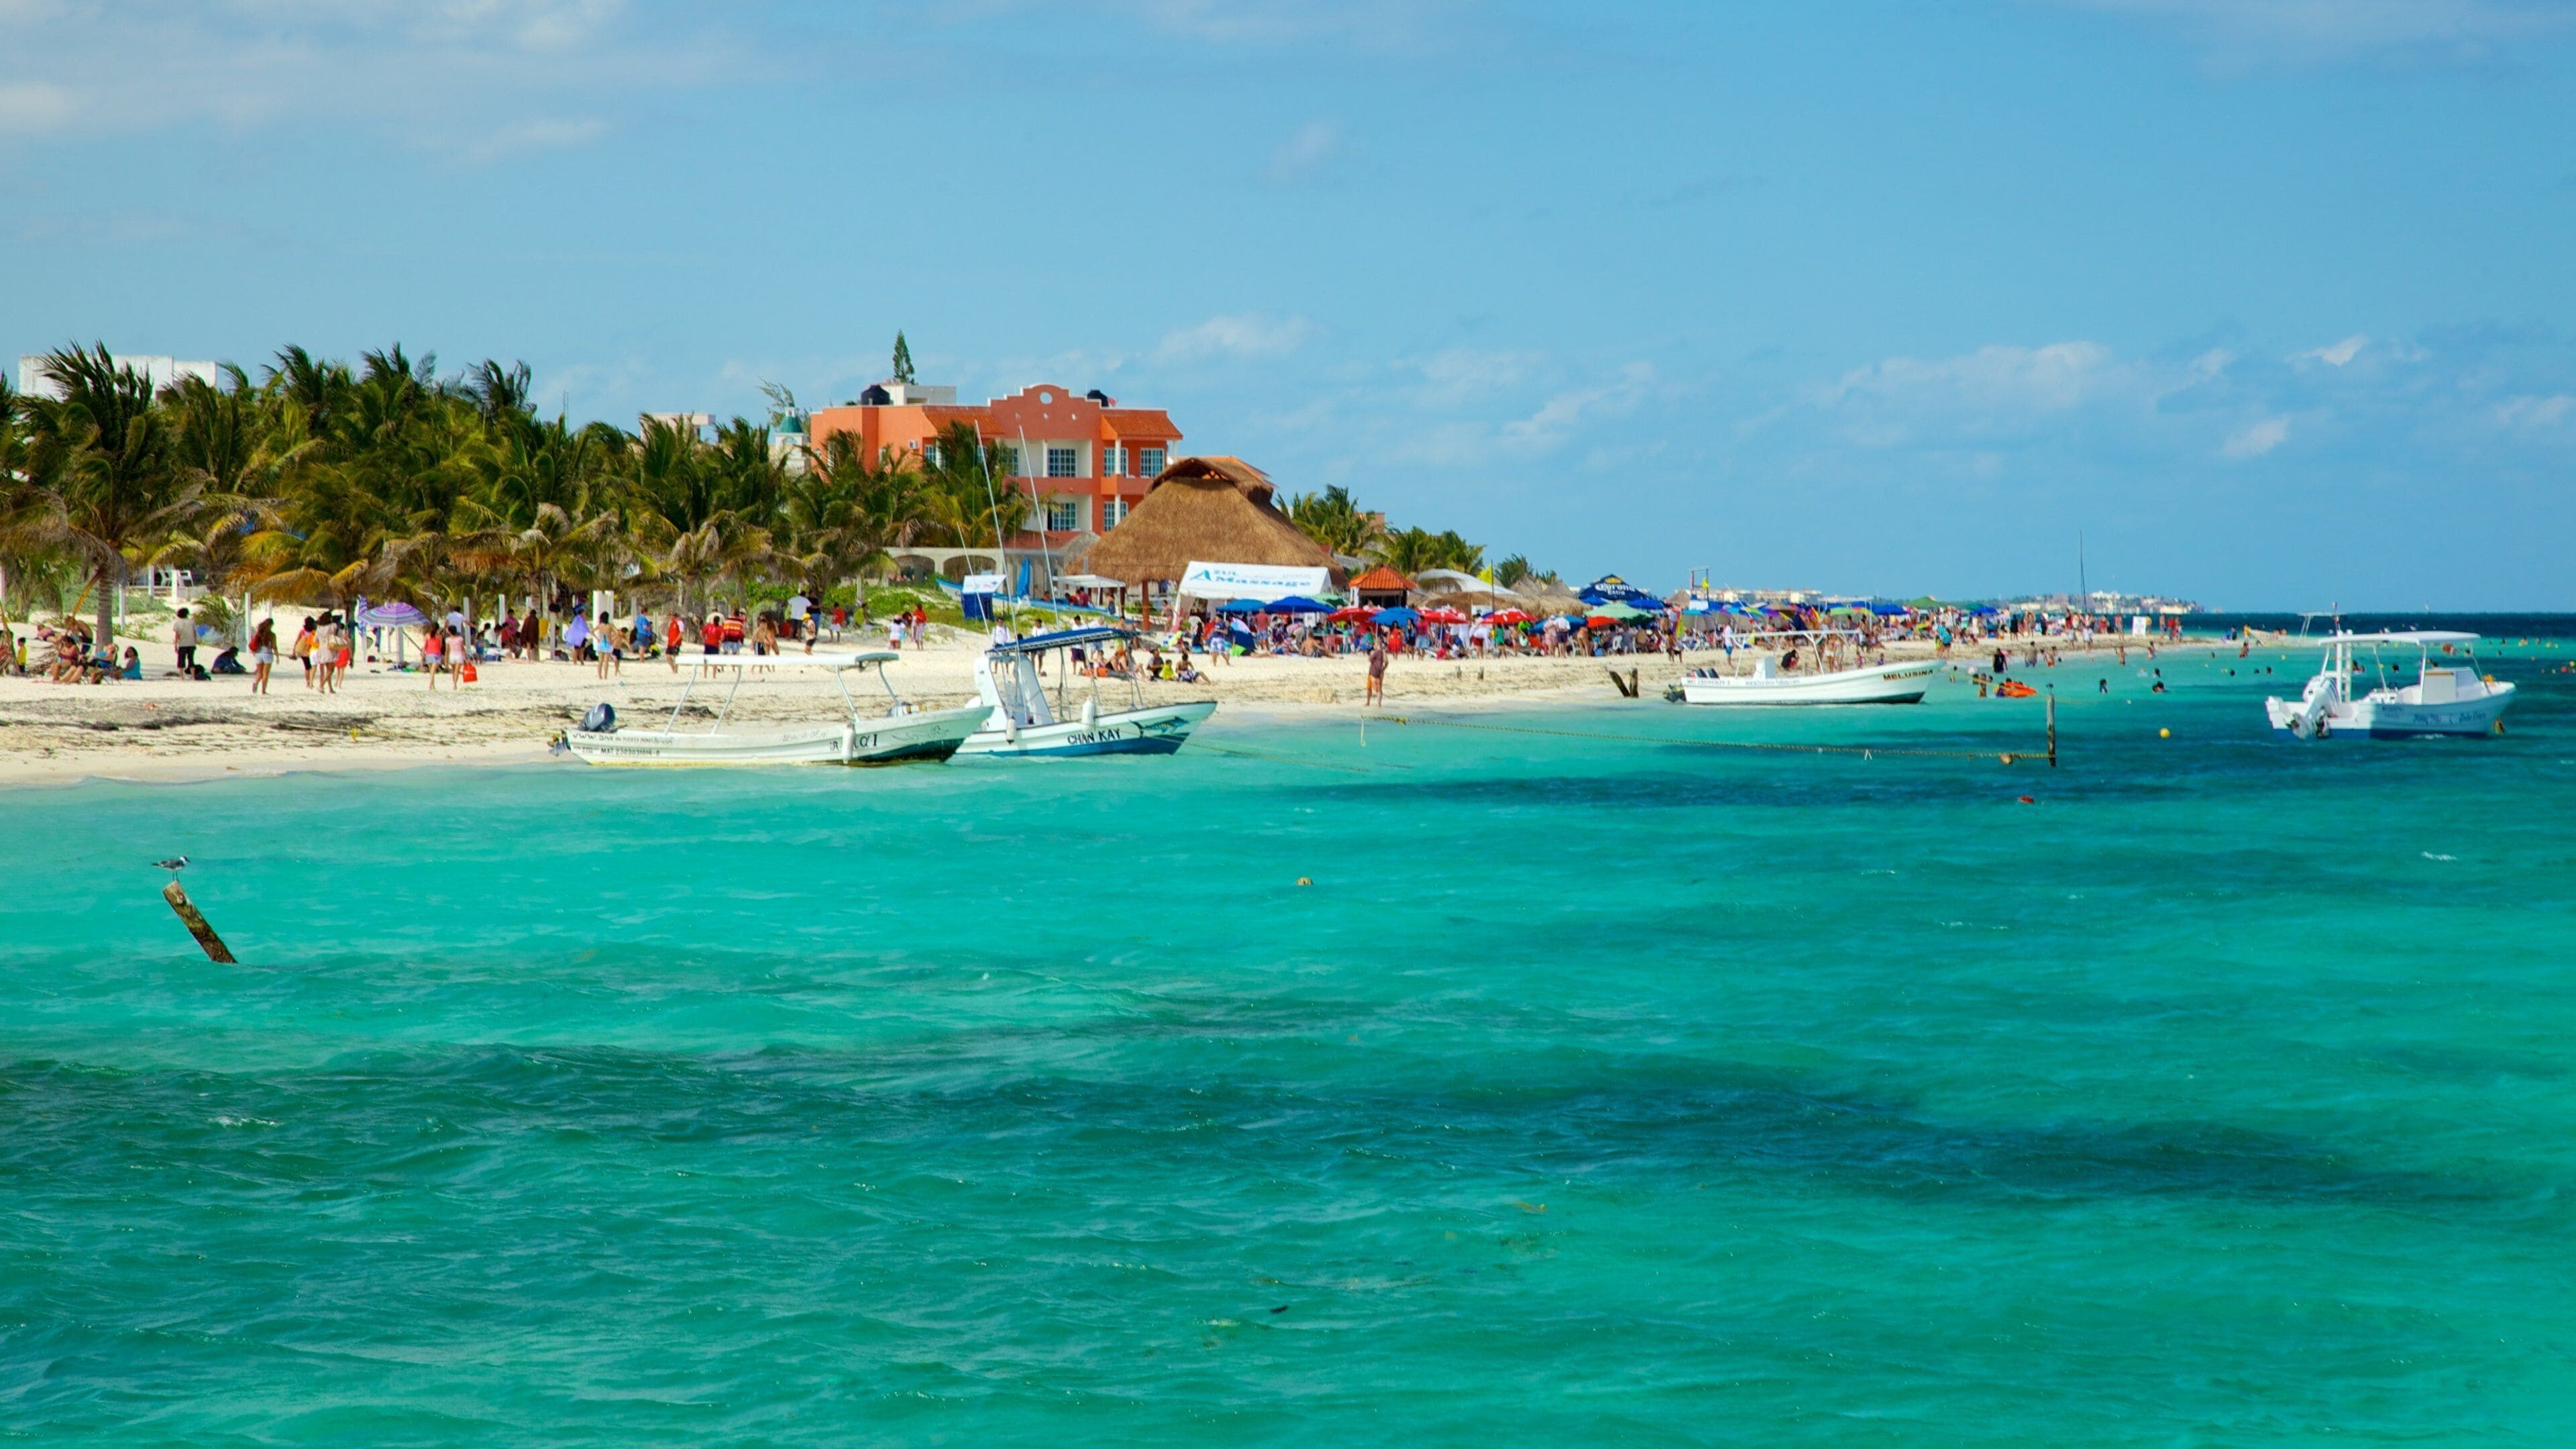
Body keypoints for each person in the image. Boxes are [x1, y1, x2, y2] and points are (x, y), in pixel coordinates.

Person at [250, 619, 277, 694]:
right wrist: (277, 656)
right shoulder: (272, 635)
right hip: (268, 655)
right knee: (266, 674)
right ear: (271, 625)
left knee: (260, 673)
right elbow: (274, 647)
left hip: (258, 655)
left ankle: (255, 683)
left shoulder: (259, 633)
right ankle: (263, 691)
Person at [170, 608, 197, 676]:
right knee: (191, 660)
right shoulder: (192, 622)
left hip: (183, 644)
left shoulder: (178, 623)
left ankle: (182, 676)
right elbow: (195, 633)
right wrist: (195, 642)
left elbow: (177, 635)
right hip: (191, 643)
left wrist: (176, 645)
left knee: (181, 660)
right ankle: (193, 676)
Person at [1365, 633, 1387, 706]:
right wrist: (1383, 669)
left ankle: (1369, 703)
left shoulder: (1377, 652)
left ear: (1377, 644)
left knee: (1372, 688)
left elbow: (1370, 659)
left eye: (1374, 644)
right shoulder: (1383, 652)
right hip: (1380, 671)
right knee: (1379, 688)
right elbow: (1387, 662)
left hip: (1374, 671)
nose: (1374, 646)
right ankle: (1378, 704)